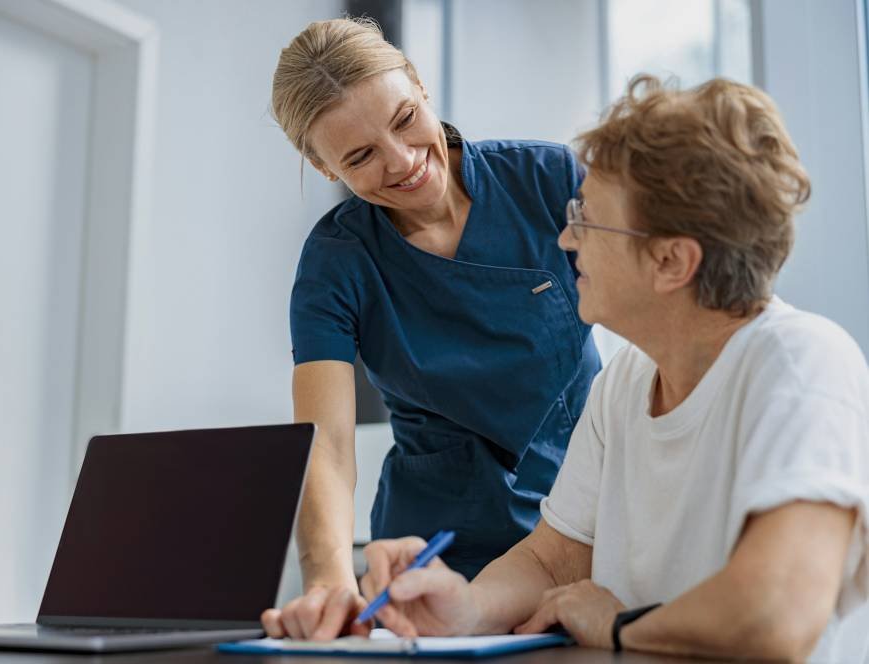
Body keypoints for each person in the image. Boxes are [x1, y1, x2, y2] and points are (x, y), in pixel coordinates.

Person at [358, 75, 869, 662]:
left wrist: (619, 625)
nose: (567, 237)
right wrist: (466, 608)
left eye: (588, 218)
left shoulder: (801, 365)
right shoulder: (626, 383)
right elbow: (553, 557)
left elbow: (777, 616)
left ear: (671, 260)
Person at [260, 18, 601, 639]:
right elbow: (327, 444)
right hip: (435, 557)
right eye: (360, 156)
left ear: (418, 84)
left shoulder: (548, 181)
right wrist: (329, 578)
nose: (404, 162)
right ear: (323, 165)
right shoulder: (337, 261)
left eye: (404, 119)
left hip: (581, 532)